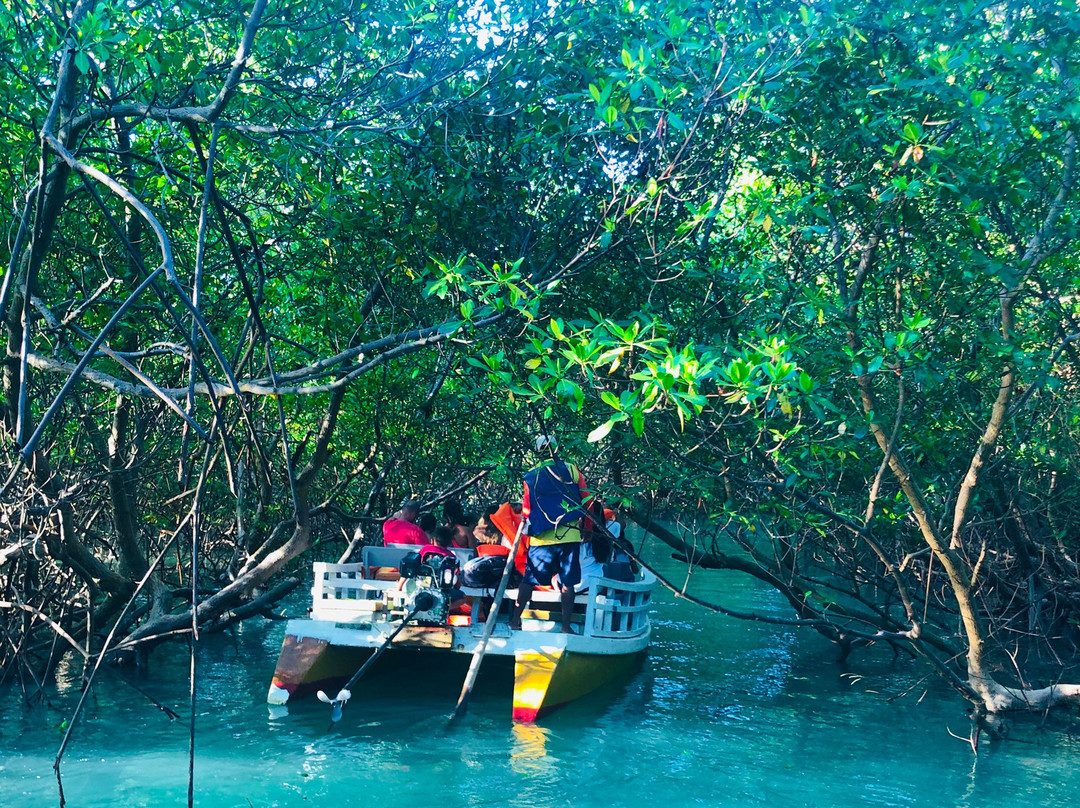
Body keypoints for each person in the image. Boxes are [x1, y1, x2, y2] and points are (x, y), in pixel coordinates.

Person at [510, 435, 591, 633]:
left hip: (542, 538)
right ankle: (565, 626)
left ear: (539, 452)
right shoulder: (571, 469)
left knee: (529, 580)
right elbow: (587, 500)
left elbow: (527, 509)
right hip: (569, 535)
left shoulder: (532, 475)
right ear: (556, 449)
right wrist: (587, 528)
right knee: (568, 583)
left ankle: (514, 621)